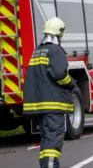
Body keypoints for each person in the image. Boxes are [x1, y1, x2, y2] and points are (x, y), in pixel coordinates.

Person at [23, 17, 76, 168]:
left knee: (46, 139)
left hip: (41, 105)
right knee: (53, 139)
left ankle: (46, 166)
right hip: (53, 104)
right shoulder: (56, 51)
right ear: (59, 33)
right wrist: (71, 84)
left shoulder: (37, 51)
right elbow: (59, 75)